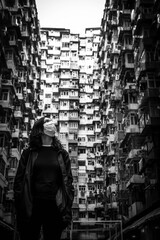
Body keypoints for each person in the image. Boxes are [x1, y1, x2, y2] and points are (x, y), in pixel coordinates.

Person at [13, 117, 74, 240]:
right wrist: (20, 206)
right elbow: (19, 181)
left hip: (55, 206)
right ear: (39, 129)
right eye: (46, 121)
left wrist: (66, 207)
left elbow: (68, 182)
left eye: (51, 122)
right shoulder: (28, 153)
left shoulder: (62, 154)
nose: (51, 123)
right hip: (32, 205)